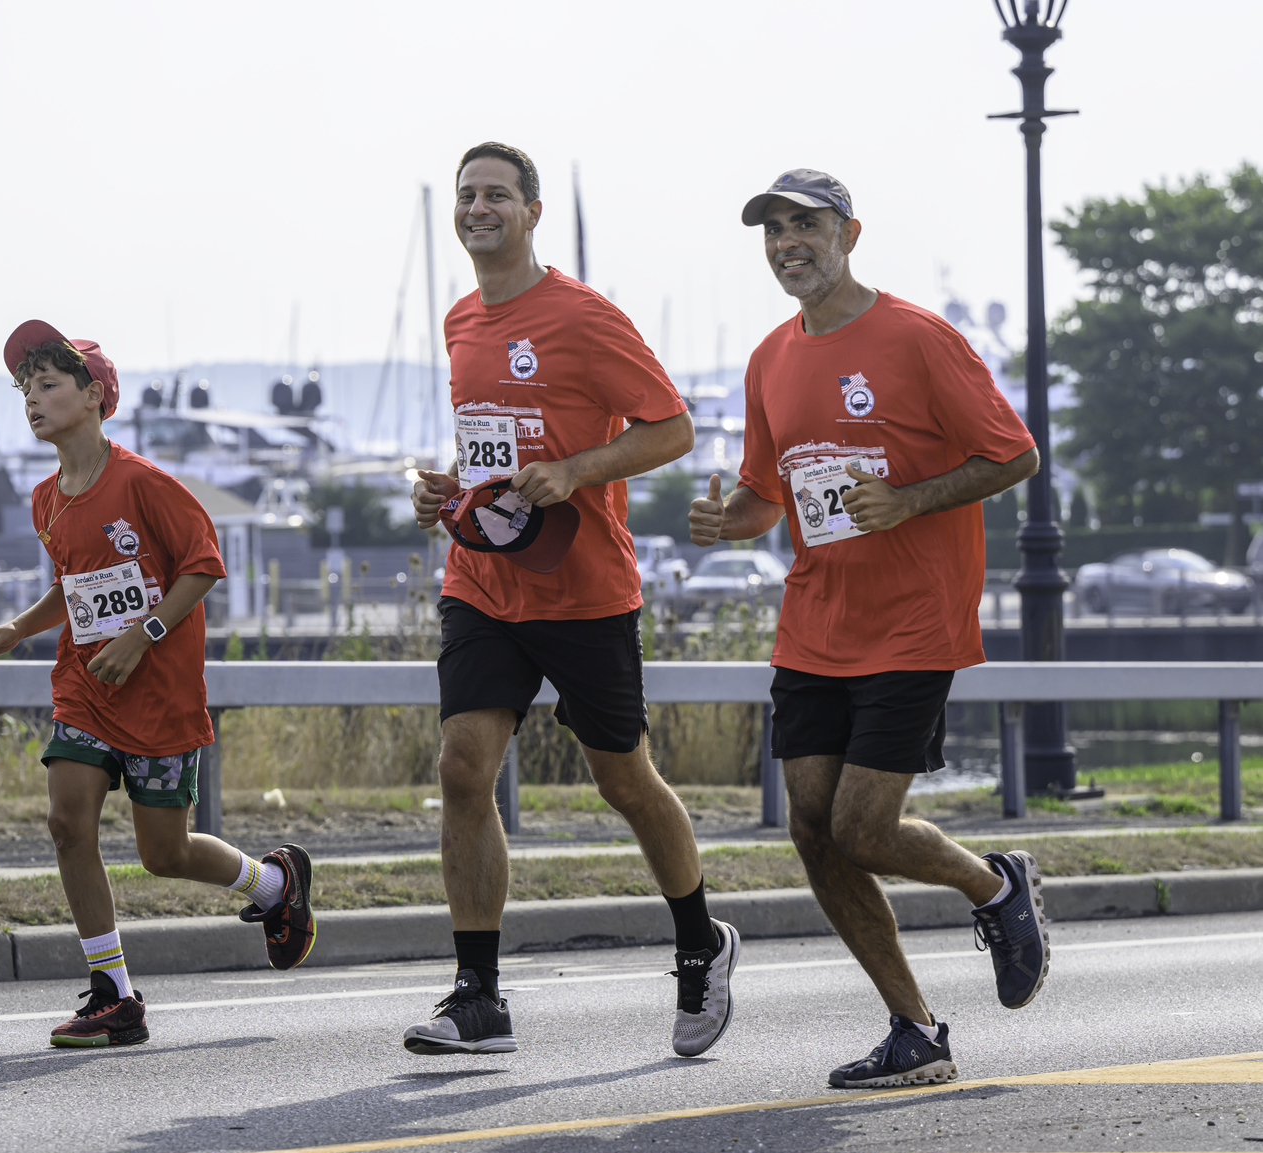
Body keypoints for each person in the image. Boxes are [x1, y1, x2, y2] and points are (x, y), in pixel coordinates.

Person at [689, 170, 1046, 1089]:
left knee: (863, 827)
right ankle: (916, 1030)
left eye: (803, 224)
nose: (785, 242)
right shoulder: (770, 357)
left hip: (914, 623)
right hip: (814, 625)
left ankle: (993, 885)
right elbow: (769, 496)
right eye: (772, 229)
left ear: (850, 233)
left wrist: (911, 499)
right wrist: (729, 519)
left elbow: (1012, 454)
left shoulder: (918, 337)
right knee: (813, 829)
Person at [404, 142, 740, 1059]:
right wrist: (446, 492)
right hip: (483, 580)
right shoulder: (460, 322)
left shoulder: (585, 317)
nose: (479, 208)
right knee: (462, 767)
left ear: (532, 211)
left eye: (497, 195)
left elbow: (670, 426)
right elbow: (491, 450)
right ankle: (479, 998)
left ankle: (701, 945)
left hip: (585, 589)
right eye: (468, 195)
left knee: (622, 780)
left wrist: (576, 471)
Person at [0, 321, 316, 1048]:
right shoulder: (45, 498)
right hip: (86, 685)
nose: (32, 400)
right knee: (68, 823)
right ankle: (114, 994)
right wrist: (18, 629)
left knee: (165, 854)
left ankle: (276, 885)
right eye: (25, 389)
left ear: (95, 396)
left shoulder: (145, 484)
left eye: (49, 385)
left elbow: (204, 566)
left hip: (157, 693)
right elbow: (73, 586)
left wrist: (143, 634)